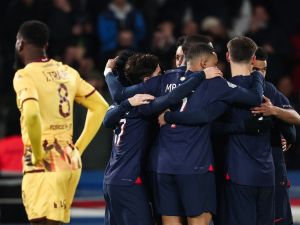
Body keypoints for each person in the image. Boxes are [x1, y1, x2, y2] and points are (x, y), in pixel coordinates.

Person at [103, 52, 223, 225]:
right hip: (131, 179)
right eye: (158, 75)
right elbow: (173, 97)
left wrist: (108, 72)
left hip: (111, 179)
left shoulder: (120, 104)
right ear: (146, 80)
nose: (162, 78)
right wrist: (201, 75)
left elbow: (107, 120)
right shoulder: (146, 102)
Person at [156, 42, 264, 225]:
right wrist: (258, 76)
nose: (219, 69)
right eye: (215, 64)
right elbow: (254, 98)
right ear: (205, 64)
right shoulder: (216, 83)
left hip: (163, 166)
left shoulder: (166, 80)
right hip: (194, 165)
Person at [13, 20, 109, 225]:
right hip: (70, 160)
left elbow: (31, 114)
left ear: (20, 44)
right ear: (45, 45)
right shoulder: (67, 72)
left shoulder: (24, 75)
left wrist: (38, 153)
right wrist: (78, 148)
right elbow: (101, 107)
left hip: (43, 160)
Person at [251, 47, 298, 225]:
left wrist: (274, 111)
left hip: (272, 164)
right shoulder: (231, 87)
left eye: (264, 70)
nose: (261, 75)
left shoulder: (269, 90)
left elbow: (295, 118)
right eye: (257, 70)